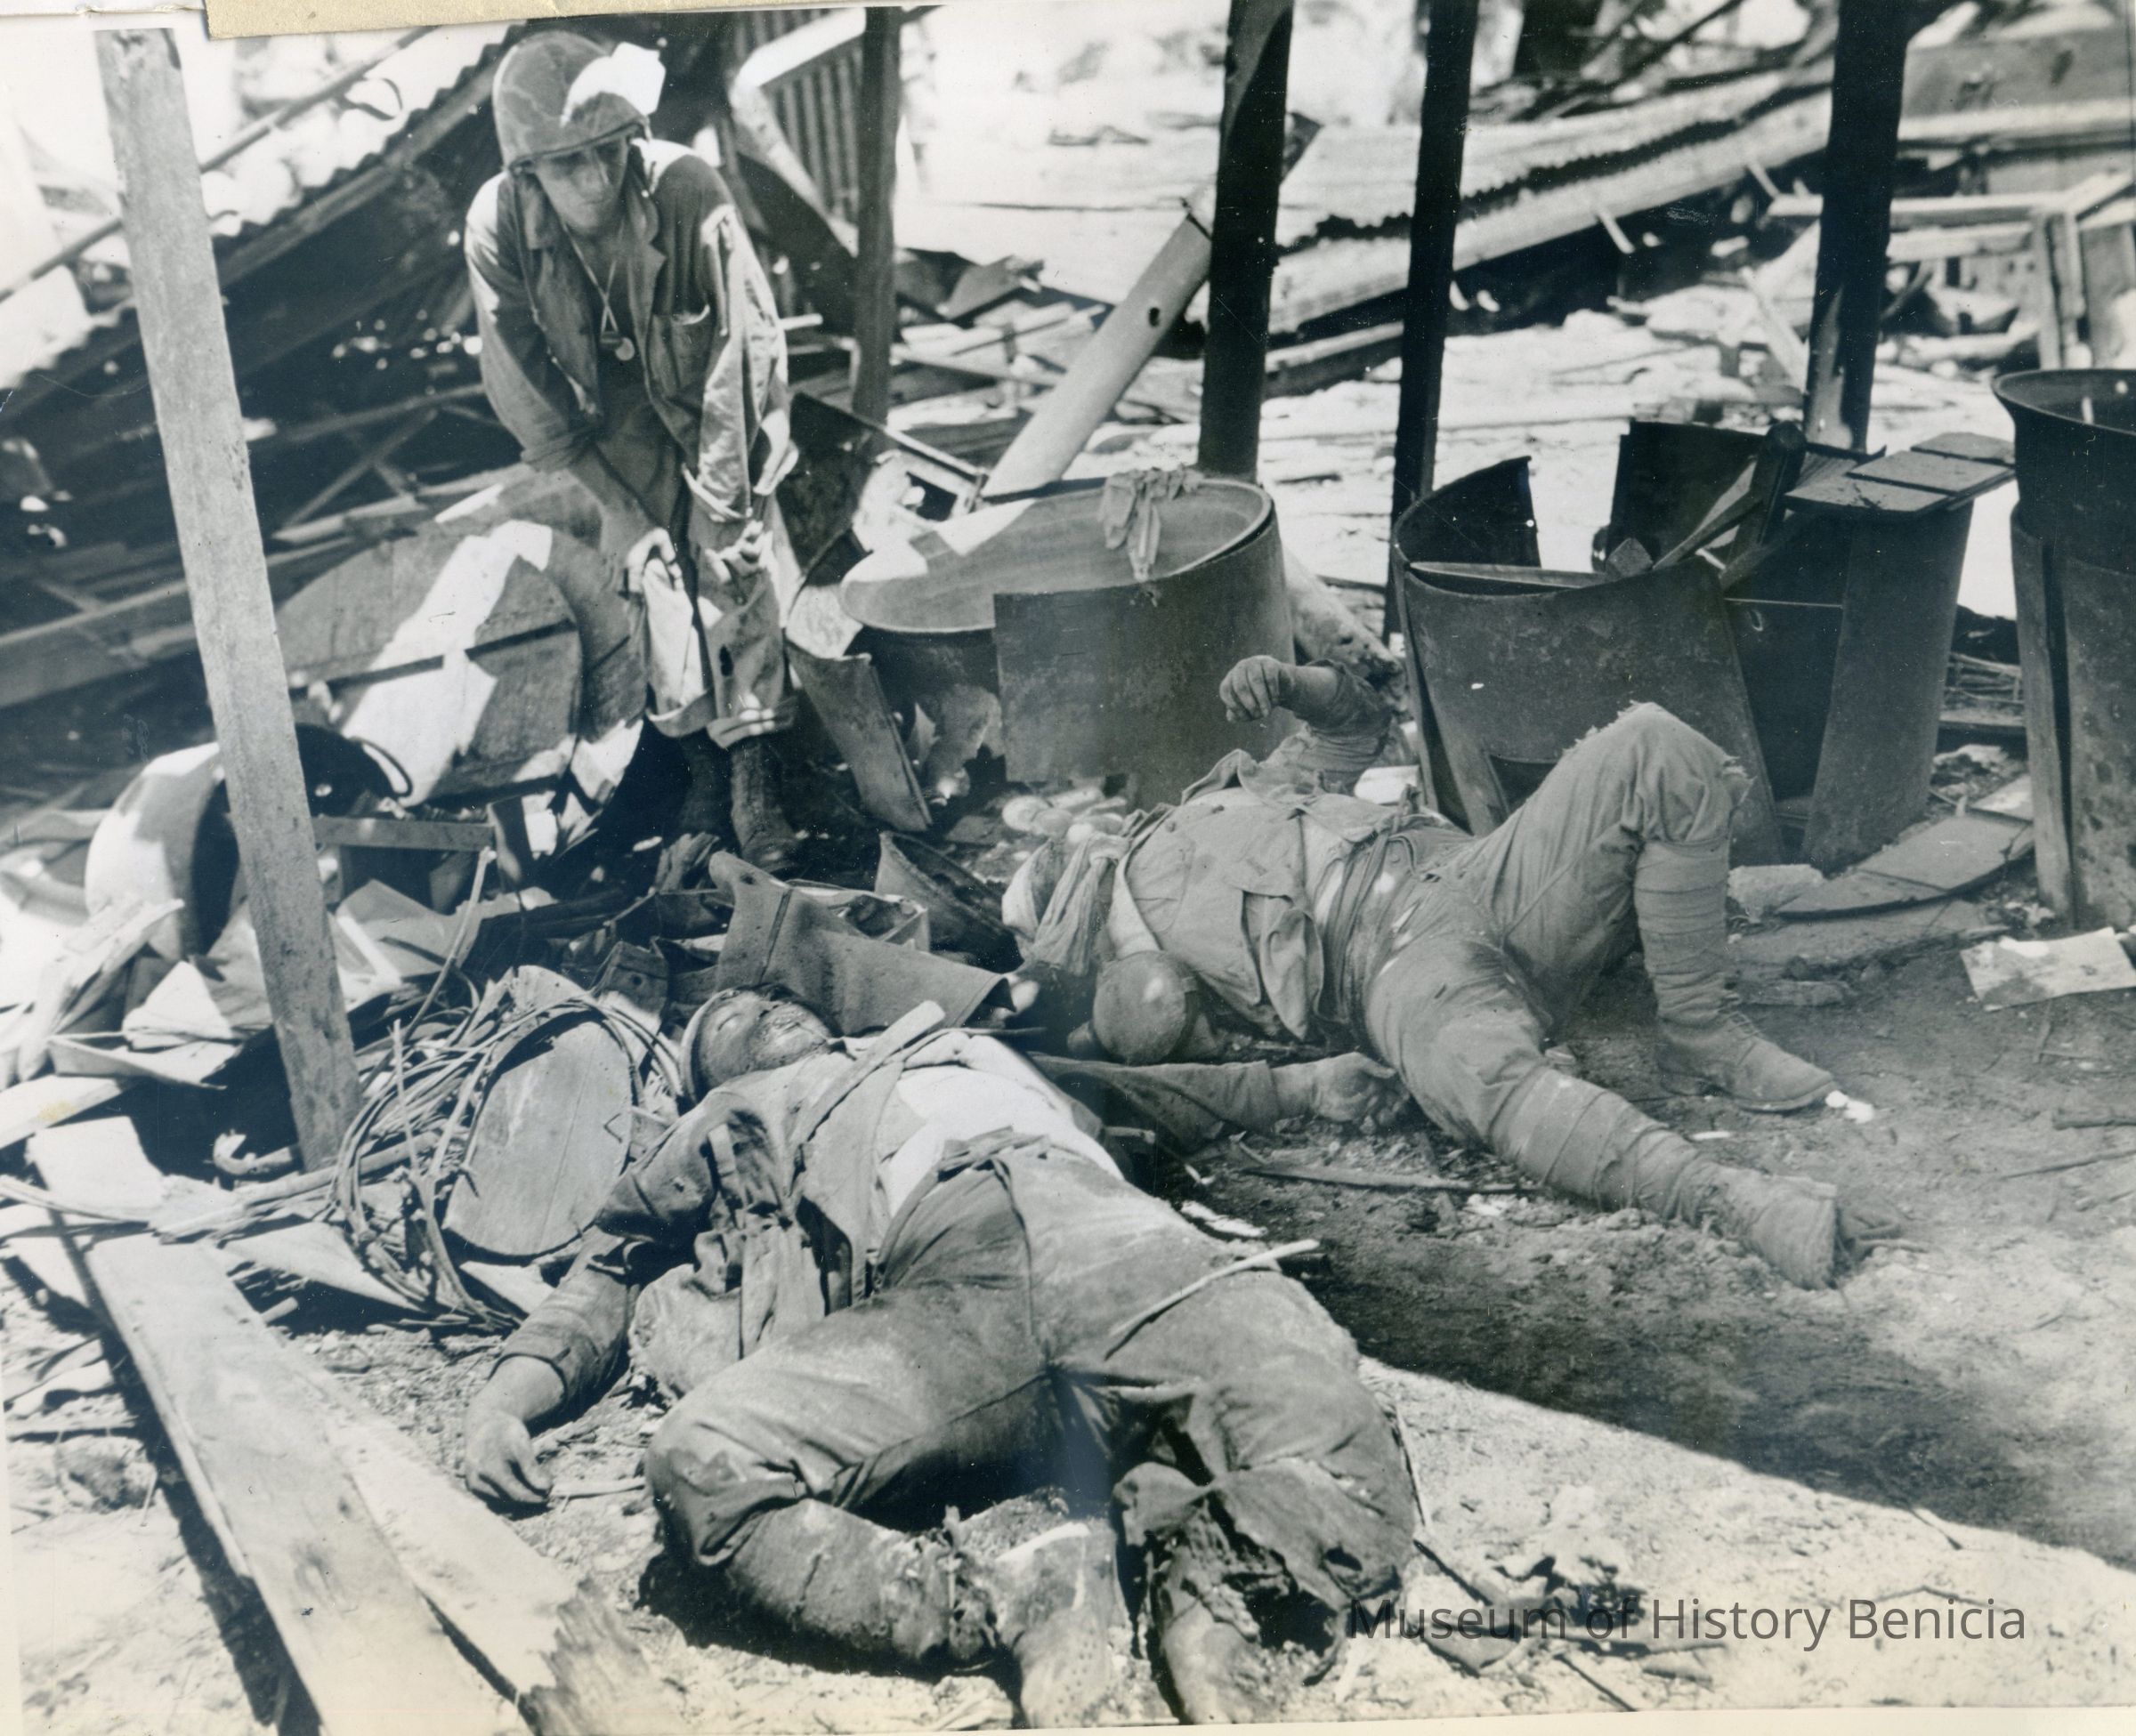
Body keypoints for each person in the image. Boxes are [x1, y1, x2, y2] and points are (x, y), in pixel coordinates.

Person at [462, 989, 1418, 1724]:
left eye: (772, 996)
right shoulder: (729, 1115)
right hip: (946, 1280)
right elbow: (610, 1265)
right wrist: (505, 1401)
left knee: (1328, 1413)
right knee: (699, 1457)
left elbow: (1153, 1090)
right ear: (709, 1073)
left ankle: (1209, 1579)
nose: (766, 1008)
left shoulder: (953, 1043)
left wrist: (1303, 1085)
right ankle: (1015, 1594)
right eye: (731, 1020)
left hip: (1119, 1237)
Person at [1011, 656, 1891, 1288]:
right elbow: (1183, 1056)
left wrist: (1285, 681)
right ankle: (1731, 1200)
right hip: (1394, 966)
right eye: (1057, 861)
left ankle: (1700, 1031)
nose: (1076, 838)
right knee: (1476, 1072)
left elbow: (1357, 720)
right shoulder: (1126, 962)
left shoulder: (1220, 797)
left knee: (1657, 745)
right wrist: (1292, 1076)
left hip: (1475, 873)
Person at [465, 32, 803, 868]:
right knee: (649, 578)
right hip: (612, 412)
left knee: (732, 564)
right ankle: (702, 775)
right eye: (567, 163)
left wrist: (724, 502)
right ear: (527, 172)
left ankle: (758, 778)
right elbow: (523, 386)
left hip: (712, 390)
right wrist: (616, 507)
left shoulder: (687, 189)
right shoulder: (497, 225)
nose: (594, 178)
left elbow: (744, 352)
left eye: (608, 152)